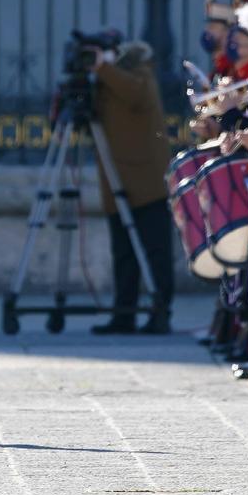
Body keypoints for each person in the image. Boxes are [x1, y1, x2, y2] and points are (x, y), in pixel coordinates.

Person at [88, 39, 175, 335]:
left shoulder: (140, 74)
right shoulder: (104, 80)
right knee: (123, 255)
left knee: (155, 253)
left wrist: (104, 68)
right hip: (118, 182)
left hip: (147, 183)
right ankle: (123, 313)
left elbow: (136, 94)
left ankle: (160, 312)